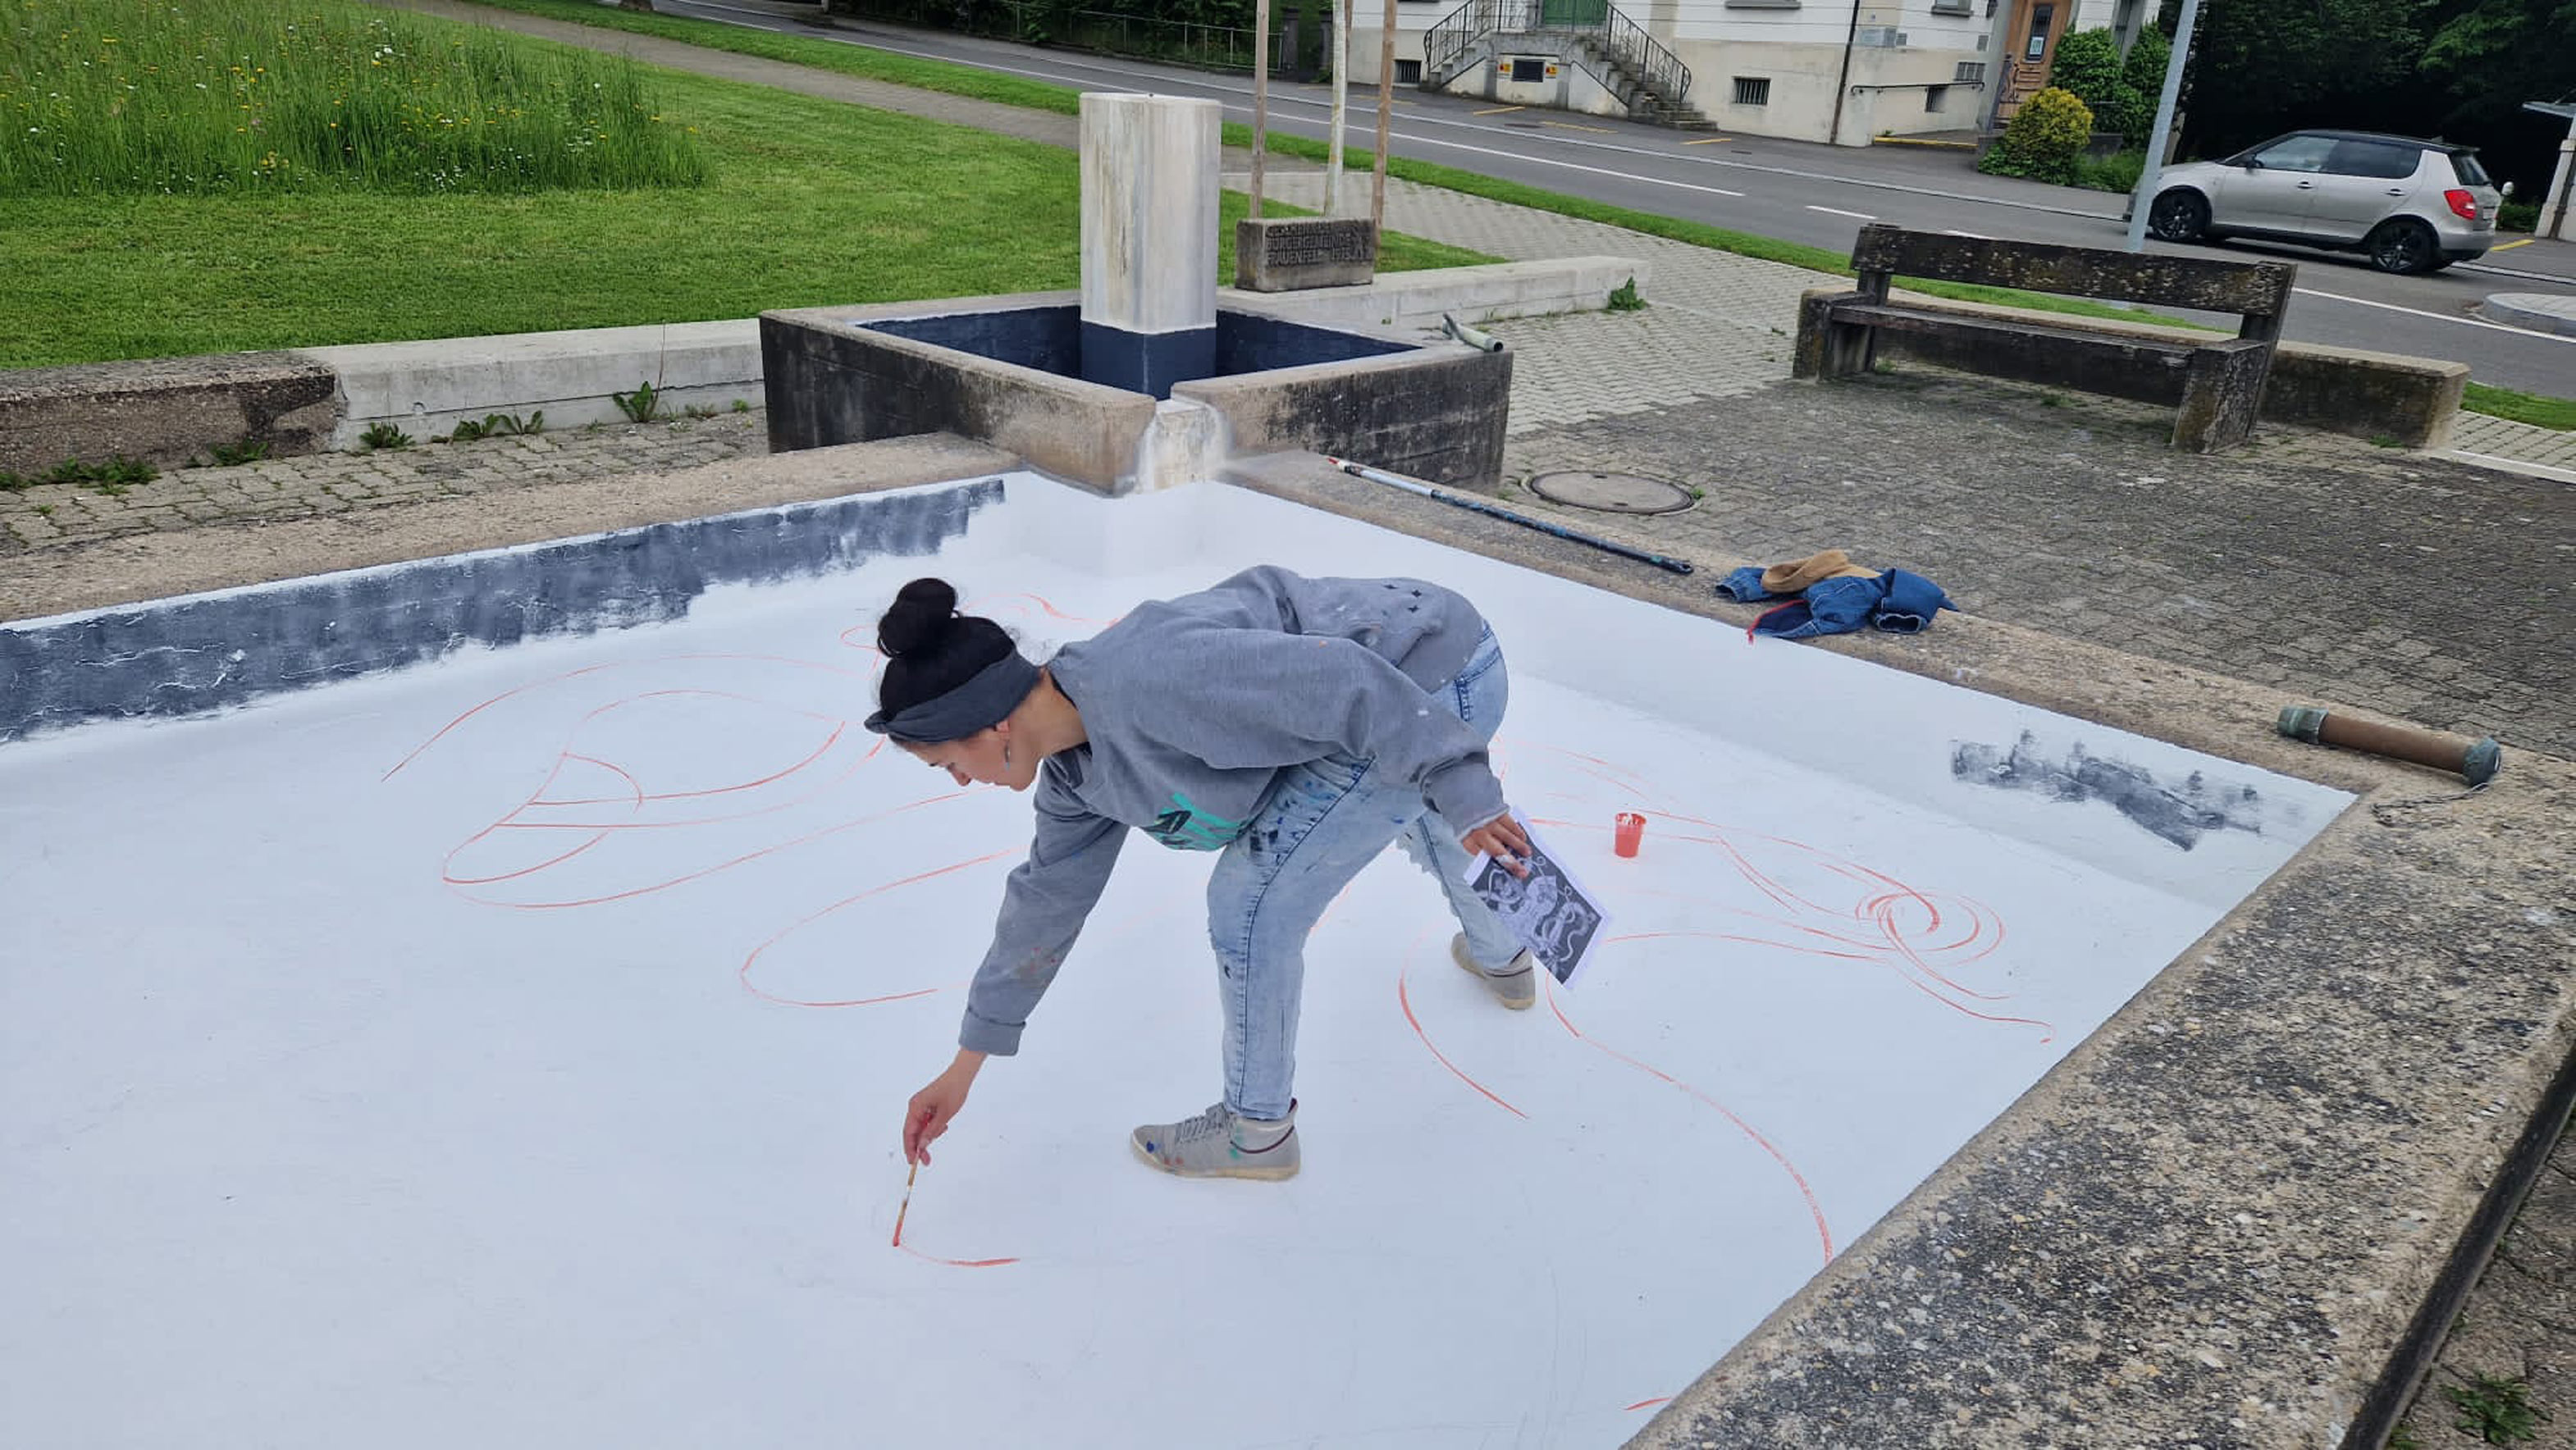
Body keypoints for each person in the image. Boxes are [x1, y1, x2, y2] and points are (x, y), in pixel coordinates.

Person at [872, 568, 1539, 1181]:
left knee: (1251, 903)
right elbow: (1045, 905)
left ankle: (1257, 1133)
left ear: (991, 726)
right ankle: (1504, 956)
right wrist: (965, 1065)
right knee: (1400, 792)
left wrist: (1460, 779)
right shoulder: (1075, 780)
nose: (961, 780)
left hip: (1427, 679)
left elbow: (1350, 686)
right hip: (1395, 693)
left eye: (949, 763)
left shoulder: (1153, 679)